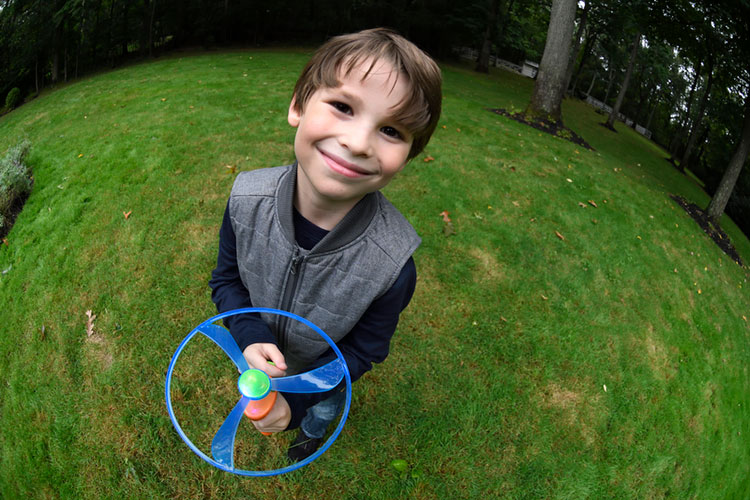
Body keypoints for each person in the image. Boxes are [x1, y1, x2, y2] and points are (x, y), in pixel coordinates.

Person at [209, 27, 442, 462]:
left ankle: (313, 432)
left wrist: (298, 403)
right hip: (261, 357)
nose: (357, 142)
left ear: (407, 157)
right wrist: (249, 333)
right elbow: (226, 280)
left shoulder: (393, 266)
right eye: (342, 106)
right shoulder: (244, 200)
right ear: (298, 104)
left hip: (324, 376)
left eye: (391, 130)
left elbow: (363, 352)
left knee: (324, 409)